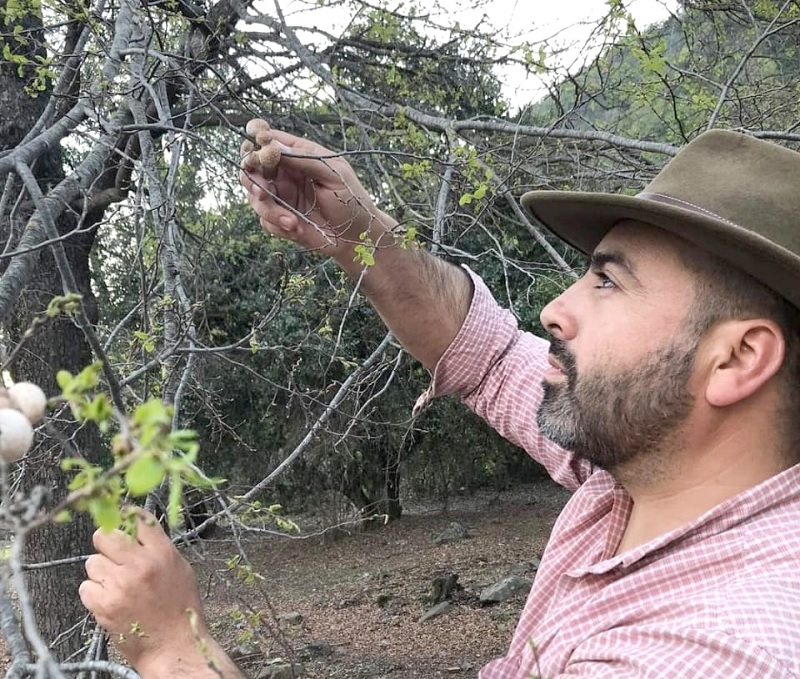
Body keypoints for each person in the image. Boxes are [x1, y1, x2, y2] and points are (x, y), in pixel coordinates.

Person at [80, 122, 800, 678]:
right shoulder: (649, 469)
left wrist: (175, 647)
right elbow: (484, 354)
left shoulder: (717, 648)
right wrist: (357, 231)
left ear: (737, 359)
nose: (554, 309)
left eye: (609, 282)